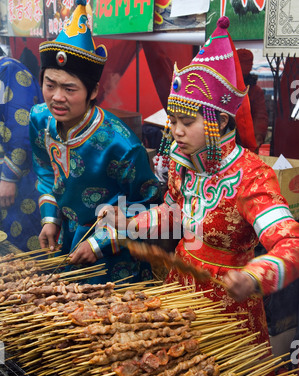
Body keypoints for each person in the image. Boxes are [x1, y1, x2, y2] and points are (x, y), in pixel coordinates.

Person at [99, 17, 299, 347]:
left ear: (220, 121)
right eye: (172, 120)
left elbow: (291, 243)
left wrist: (253, 275)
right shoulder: (185, 166)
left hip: (228, 306)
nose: (175, 131)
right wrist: (129, 222)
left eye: (186, 122)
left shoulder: (251, 176)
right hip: (179, 289)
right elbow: (173, 215)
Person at [29, 0, 161, 284]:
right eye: (50, 84)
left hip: (113, 256)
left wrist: (101, 241)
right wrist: (50, 217)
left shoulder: (121, 145)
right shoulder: (39, 119)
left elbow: (149, 204)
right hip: (66, 239)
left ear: (93, 91)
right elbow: (43, 169)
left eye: (70, 88)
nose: (56, 97)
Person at [0, 56, 43, 252]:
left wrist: (9, 176)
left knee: (23, 248)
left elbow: (21, 121)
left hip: (19, 179)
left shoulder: (9, 70)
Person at [237, 48, 269, 151]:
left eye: (248, 63)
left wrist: (257, 137)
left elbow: (260, 115)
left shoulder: (255, 90)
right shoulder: (226, 86)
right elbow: (260, 116)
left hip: (247, 139)